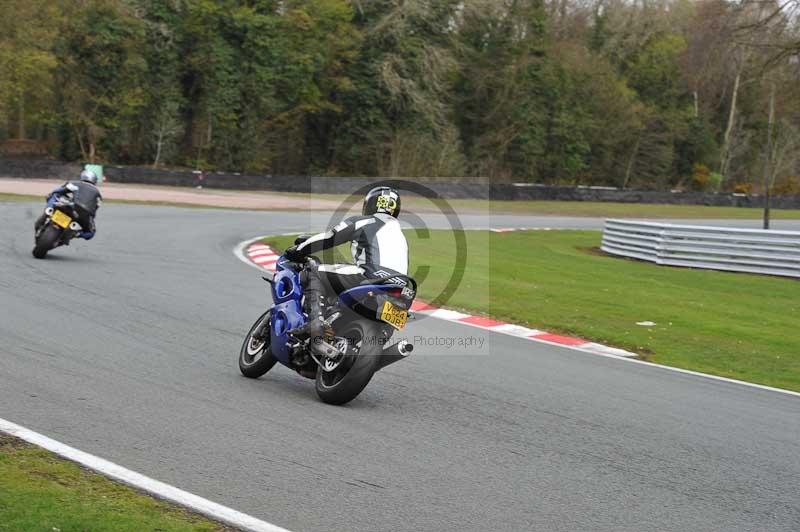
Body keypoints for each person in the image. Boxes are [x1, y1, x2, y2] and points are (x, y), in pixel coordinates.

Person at [284, 186, 409, 345]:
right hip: (400, 289)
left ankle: (315, 322)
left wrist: (299, 250)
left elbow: (329, 238)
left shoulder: (364, 221)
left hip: (369, 277)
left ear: (370, 204)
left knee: (313, 271)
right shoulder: (401, 237)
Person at [36, 169, 103, 240]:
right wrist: (89, 218)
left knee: (55, 194)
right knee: (91, 233)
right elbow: (95, 208)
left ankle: (49, 210)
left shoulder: (75, 183)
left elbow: (59, 191)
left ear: (82, 176)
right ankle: (77, 233)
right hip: (85, 215)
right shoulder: (98, 194)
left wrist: (51, 195)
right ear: (94, 180)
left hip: (72, 206)